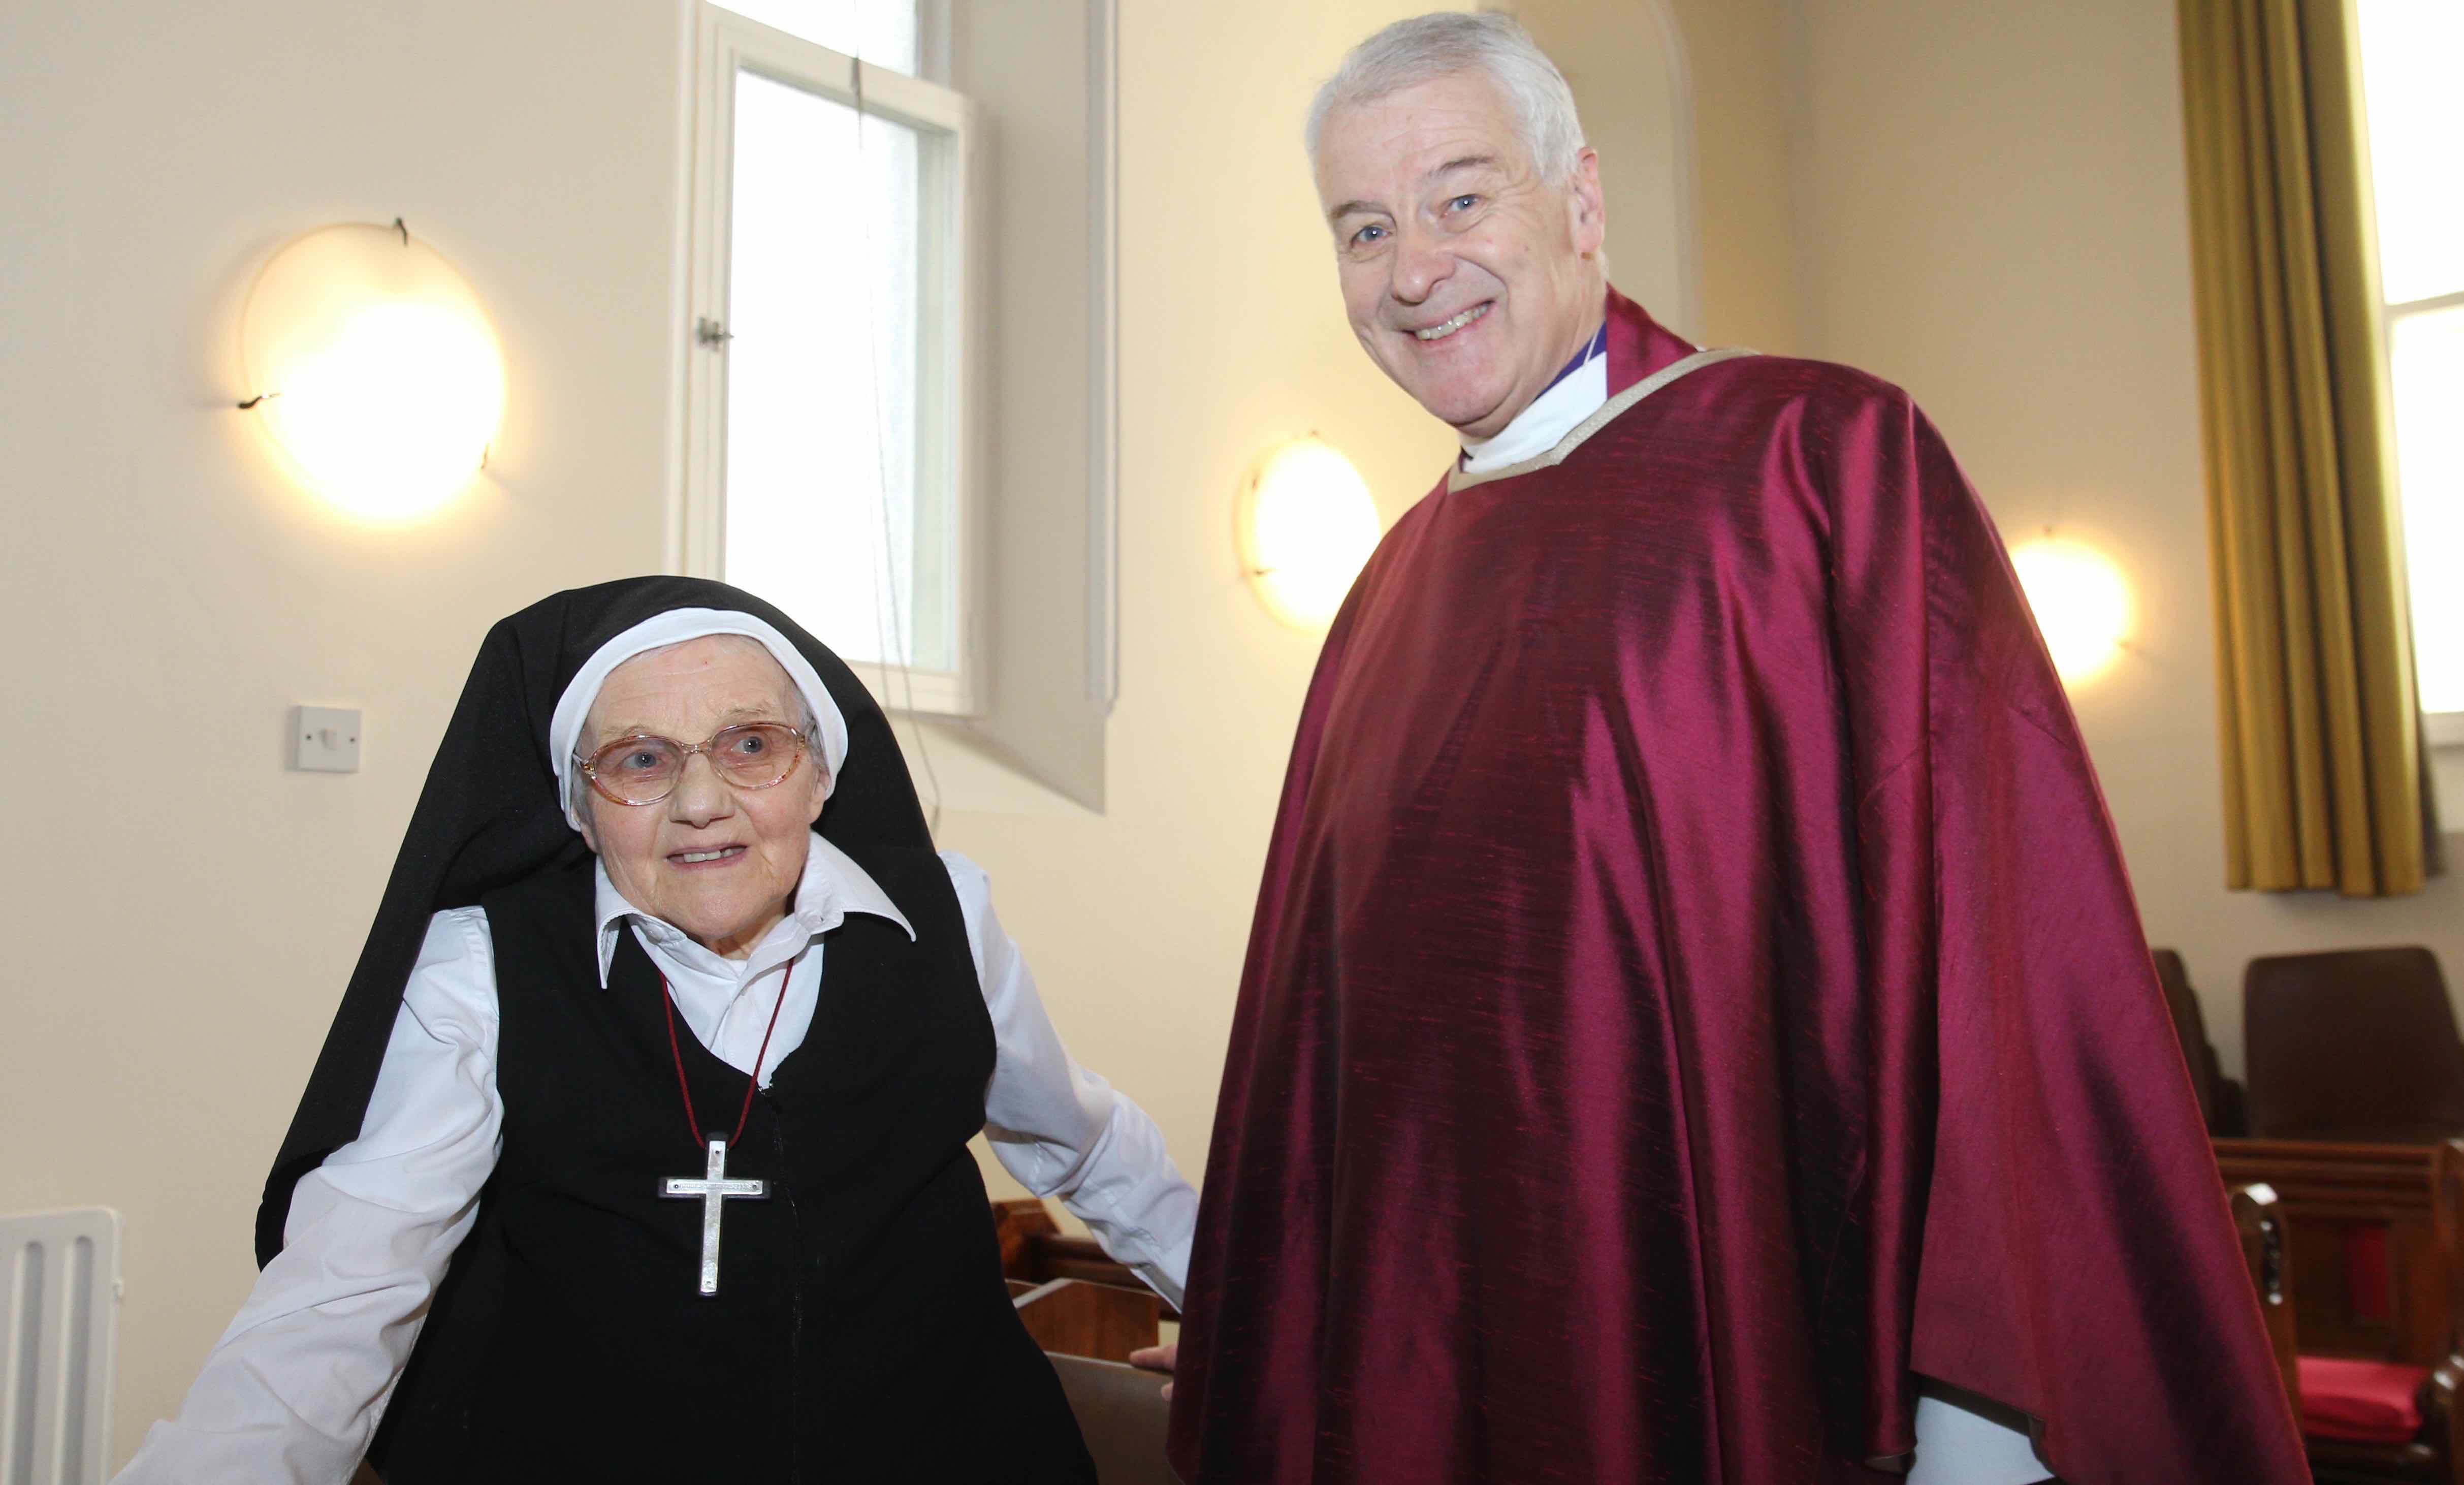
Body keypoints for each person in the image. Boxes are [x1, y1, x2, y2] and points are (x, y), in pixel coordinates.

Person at [1148, 14, 2309, 1483]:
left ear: (1580, 201)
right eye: (1362, 228)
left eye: (1458, 197)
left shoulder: (1811, 467)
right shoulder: (1383, 598)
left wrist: (1978, 1428)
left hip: (1758, 1380)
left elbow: (1987, 957)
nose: (1412, 270)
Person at [117, 577, 1196, 1484]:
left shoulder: (944, 916)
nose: (699, 801)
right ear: (577, 805)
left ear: (818, 774)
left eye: (749, 744)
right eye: (639, 760)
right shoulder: (483, 966)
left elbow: (1087, 1143)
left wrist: (1258, 1327)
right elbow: (347, 1288)